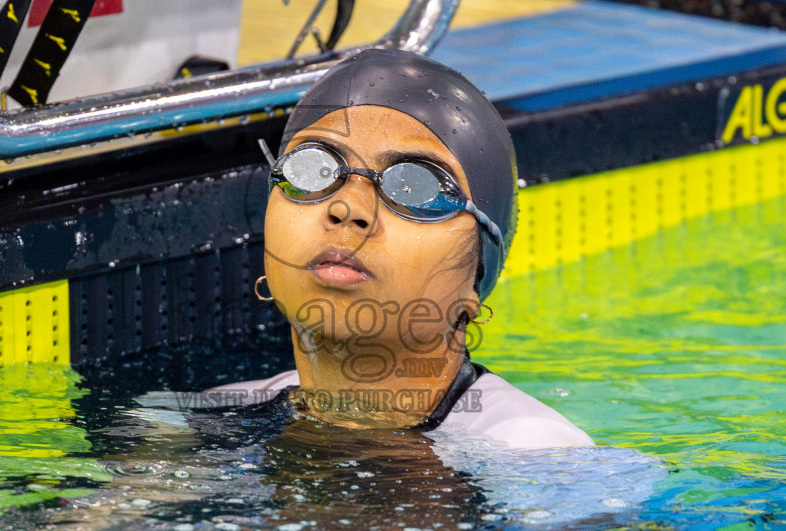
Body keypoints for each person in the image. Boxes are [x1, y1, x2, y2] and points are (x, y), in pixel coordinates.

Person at [211, 48, 592, 451]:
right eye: (314, 167)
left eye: (415, 188)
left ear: (475, 281)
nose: (347, 209)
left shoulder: (532, 452)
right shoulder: (215, 417)